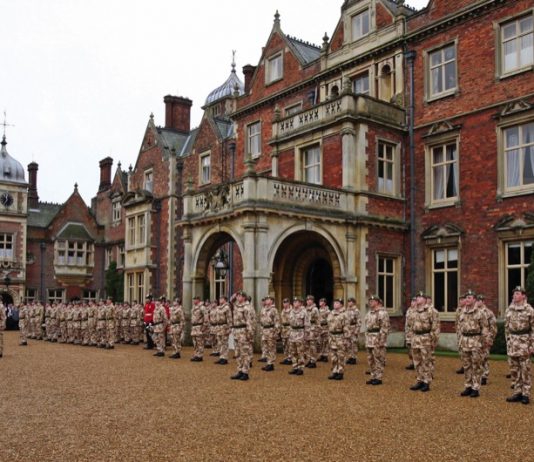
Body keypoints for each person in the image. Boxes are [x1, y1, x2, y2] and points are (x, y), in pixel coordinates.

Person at [505, 286, 534, 405]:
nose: (514, 296)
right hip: (512, 343)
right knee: (514, 369)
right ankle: (517, 392)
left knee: (525, 369)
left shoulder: (529, 310)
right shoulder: (509, 310)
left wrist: (532, 344)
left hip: (524, 343)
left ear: (523, 296)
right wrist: (508, 341)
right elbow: (507, 327)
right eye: (514, 294)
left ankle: (526, 394)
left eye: (517, 293)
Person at [458, 290, 489, 398]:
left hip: (476, 341)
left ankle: (475, 388)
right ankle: (468, 386)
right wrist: (460, 341)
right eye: (466, 297)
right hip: (465, 341)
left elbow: (485, 327)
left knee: (476, 366)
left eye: (469, 297)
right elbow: (459, 327)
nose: (467, 299)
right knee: (467, 366)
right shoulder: (462, 312)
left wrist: (485, 342)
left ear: (474, 300)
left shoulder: (480, 313)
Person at [408, 292, 440, 392]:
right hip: (415, 338)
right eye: (417, 297)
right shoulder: (413, 311)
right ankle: (420, 380)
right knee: (417, 361)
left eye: (420, 297)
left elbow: (435, 327)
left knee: (426, 361)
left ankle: (427, 382)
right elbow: (410, 326)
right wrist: (410, 338)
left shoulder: (431, 311)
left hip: (426, 337)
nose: (417, 299)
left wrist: (433, 340)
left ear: (425, 299)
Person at [365, 295, 390, 385]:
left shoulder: (382, 313)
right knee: (370, 359)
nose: (370, 302)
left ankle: (378, 378)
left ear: (378, 302)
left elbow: (385, 328)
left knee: (378, 359)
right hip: (369, 339)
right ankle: (373, 376)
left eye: (373, 300)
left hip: (377, 338)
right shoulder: (369, 313)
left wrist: (382, 341)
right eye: (370, 300)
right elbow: (367, 327)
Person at [230, 290, 254, 380]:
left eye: (240, 296)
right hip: (237, 331)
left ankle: (245, 372)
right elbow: (231, 300)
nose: (238, 297)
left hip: (244, 331)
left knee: (245, 353)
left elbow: (249, 322)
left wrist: (249, 334)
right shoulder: (237, 305)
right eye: (237, 296)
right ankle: (239, 370)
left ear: (244, 297)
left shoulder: (247, 307)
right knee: (238, 353)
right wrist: (234, 295)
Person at [327, 298, 349, 380]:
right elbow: (328, 326)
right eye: (334, 302)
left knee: (341, 356)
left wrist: (346, 339)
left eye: (337, 303)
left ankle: (340, 372)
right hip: (332, 337)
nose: (335, 304)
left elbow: (347, 327)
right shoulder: (331, 313)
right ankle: (334, 371)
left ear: (341, 304)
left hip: (340, 337)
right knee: (333, 356)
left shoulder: (344, 314)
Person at [477, 294, 497, 385]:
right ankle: (478, 375)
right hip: (476, 339)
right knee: (477, 358)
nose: (477, 302)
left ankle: (484, 376)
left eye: (479, 300)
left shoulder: (489, 313)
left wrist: (490, 339)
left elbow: (493, 327)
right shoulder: (474, 312)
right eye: (476, 300)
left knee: (485, 357)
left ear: (483, 302)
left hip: (485, 338)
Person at [288, 296, 310, 376]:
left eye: (296, 302)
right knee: (293, 352)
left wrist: (306, 335)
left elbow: (307, 324)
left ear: (300, 303)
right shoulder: (291, 311)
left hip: (300, 333)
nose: (295, 303)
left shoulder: (304, 312)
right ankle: (295, 367)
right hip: (293, 333)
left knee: (300, 352)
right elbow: (290, 324)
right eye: (294, 302)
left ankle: (300, 368)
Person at [259, 295, 280, 372]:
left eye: (268, 299)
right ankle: (268, 362)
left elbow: (277, 321)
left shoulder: (274, 310)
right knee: (266, 347)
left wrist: (276, 332)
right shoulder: (263, 309)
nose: (267, 301)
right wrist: (262, 330)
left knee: (271, 347)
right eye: (266, 299)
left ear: (272, 301)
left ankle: (271, 363)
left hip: (271, 330)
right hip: (265, 330)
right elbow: (261, 321)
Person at [213, 296, 232, 365]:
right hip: (219, 326)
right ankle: (221, 357)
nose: (220, 300)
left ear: (225, 300)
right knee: (220, 343)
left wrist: (229, 328)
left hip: (224, 326)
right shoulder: (218, 307)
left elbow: (229, 318)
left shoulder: (227, 307)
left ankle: (225, 358)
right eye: (219, 298)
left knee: (224, 343)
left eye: (221, 299)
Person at [304, 295, 320, 368]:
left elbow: (318, 320)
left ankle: (313, 361)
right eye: (307, 300)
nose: (308, 301)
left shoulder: (315, 309)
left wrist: (317, 330)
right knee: (307, 346)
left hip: (313, 329)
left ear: (313, 301)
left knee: (313, 346)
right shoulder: (305, 309)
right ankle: (309, 359)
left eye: (310, 300)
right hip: (307, 329)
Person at [345, 297, 361, 365]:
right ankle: (350, 357)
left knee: (353, 344)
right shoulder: (347, 310)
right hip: (348, 329)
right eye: (348, 302)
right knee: (348, 344)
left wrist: (357, 330)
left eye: (350, 302)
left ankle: (354, 358)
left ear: (353, 302)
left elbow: (359, 321)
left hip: (353, 328)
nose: (349, 303)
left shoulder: (356, 310)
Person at [190, 296, 207, 361]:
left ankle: (200, 355)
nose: (194, 301)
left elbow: (206, 317)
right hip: (194, 327)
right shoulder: (194, 308)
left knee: (200, 342)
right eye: (193, 300)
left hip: (199, 326)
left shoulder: (202, 307)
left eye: (195, 300)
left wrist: (204, 326)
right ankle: (196, 354)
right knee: (195, 342)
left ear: (198, 300)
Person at [455, 295, 467, 374]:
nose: (460, 302)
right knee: (461, 351)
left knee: (467, 351)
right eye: (459, 300)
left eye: (461, 300)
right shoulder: (458, 310)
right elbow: (456, 321)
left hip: (466, 335)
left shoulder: (467, 310)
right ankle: (464, 366)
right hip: (460, 334)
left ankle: (467, 367)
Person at [279, 298, 292, 365]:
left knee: (290, 344)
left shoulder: (292, 310)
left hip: (289, 329)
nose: (285, 304)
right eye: (284, 302)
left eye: (286, 302)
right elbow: (281, 321)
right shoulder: (283, 311)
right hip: (284, 329)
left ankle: (290, 358)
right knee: (285, 344)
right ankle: (286, 357)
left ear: (289, 303)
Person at [404, 297, 416, 370]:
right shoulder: (409, 310)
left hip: (414, 333)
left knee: (415, 349)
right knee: (409, 348)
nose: (412, 303)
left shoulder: (418, 311)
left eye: (414, 301)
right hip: (408, 333)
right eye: (412, 301)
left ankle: (416, 363)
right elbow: (406, 323)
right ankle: (412, 362)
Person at [317, 298, 330, 362]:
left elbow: (329, 320)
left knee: (326, 342)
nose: (320, 302)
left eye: (321, 301)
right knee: (321, 343)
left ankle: (325, 356)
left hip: (325, 328)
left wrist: (323, 323)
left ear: (324, 303)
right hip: (320, 329)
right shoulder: (319, 310)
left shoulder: (327, 311)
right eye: (320, 301)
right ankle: (321, 355)